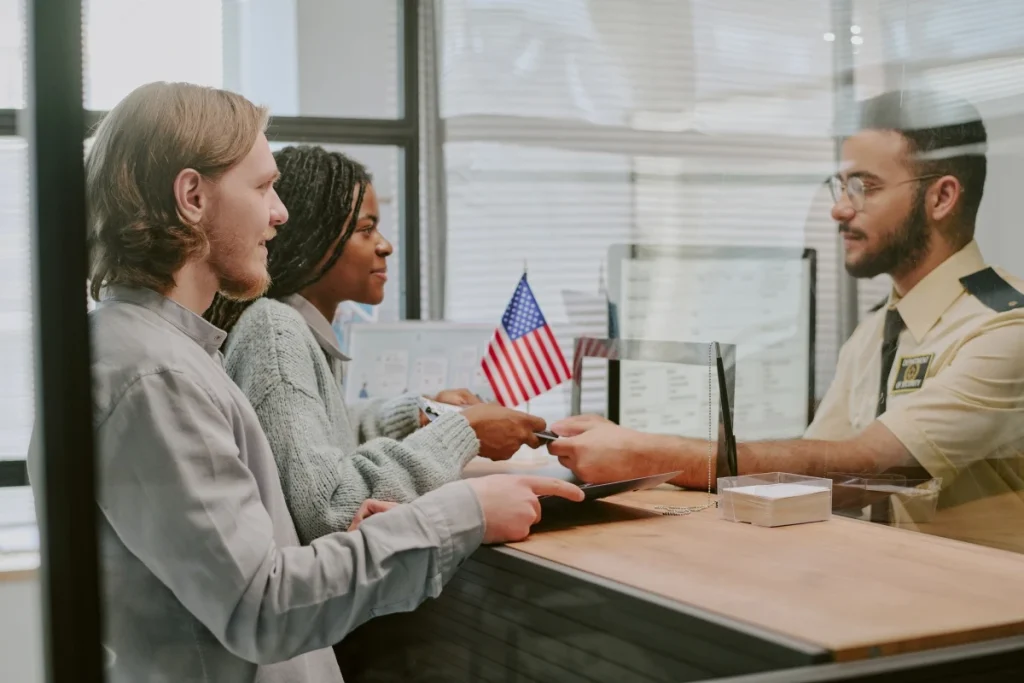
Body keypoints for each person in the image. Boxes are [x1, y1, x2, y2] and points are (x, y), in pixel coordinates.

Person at [34, 81, 582, 683]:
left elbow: (247, 564)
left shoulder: (166, 354)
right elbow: (262, 608)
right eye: (264, 187)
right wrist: (464, 512)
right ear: (191, 196)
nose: (281, 212)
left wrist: (379, 530)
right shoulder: (152, 373)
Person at [548, 89, 1024, 552]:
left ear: (941, 198)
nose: (840, 209)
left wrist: (652, 455)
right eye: (841, 187)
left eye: (866, 187)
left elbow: (870, 465)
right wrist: (652, 474)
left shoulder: (1006, 329)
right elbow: (819, 476)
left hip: (981, 613)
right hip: (888, 584)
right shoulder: (876, 330)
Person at [204, 145, 550, 541]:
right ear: (313, 238)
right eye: (366, 230)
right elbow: (330, 509)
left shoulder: (294, 326)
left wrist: (417, 414)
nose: (385, 245)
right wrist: (460, 433)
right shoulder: (276, 330)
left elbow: (325, 436)